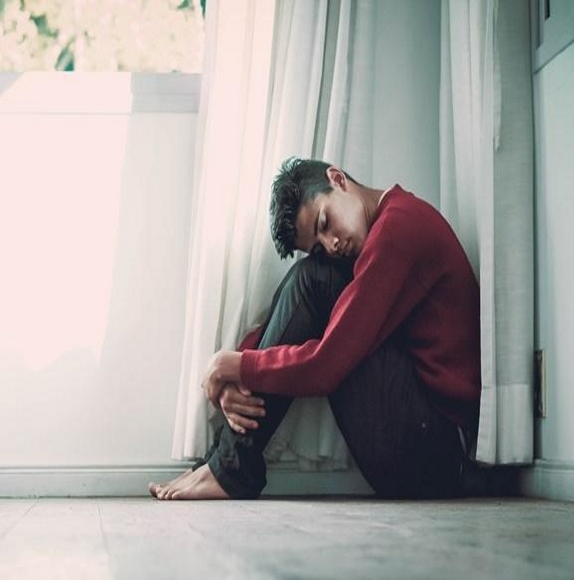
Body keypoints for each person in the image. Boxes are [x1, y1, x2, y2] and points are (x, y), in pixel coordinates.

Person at [150, 157, 481, 500]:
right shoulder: (382, 232)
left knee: (313, 278)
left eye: (325, 222)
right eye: (320, 244)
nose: (332, 245)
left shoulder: (399, 229)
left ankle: (230, 469)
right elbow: (295, 321)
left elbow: (327, 365)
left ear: (337, 179)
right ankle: (222, 462)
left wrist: (236, 366)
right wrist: (234, 371)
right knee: (312, 274)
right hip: (424, 440)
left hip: (439, 454)